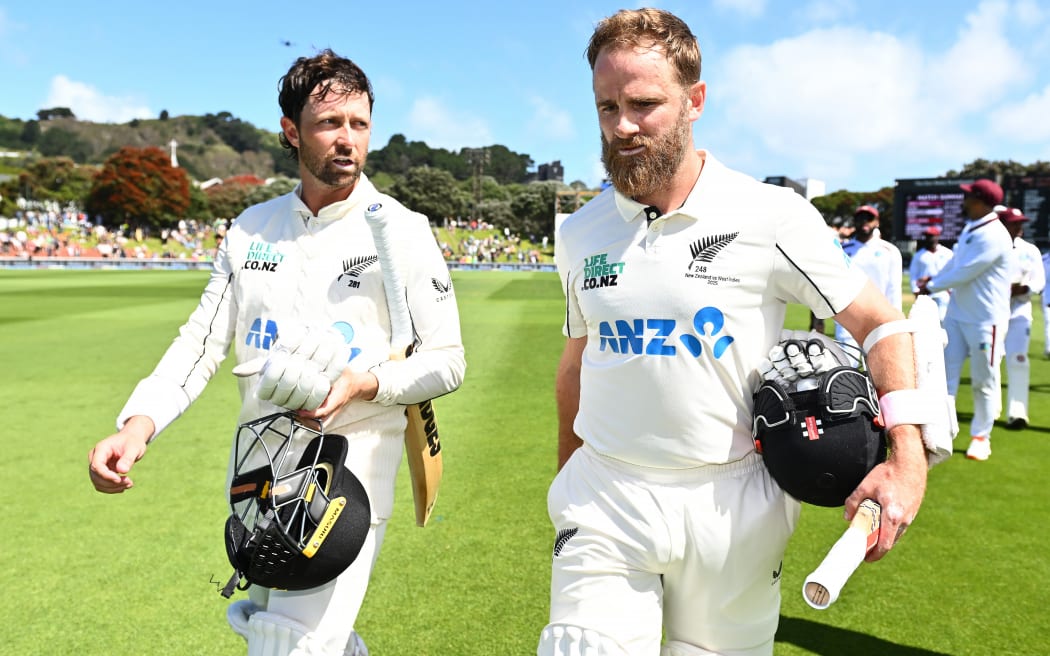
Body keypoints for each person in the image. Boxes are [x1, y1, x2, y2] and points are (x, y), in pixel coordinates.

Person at [543, 9, 929, 655]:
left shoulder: (771, 215)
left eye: (644, 103)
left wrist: (907, 460)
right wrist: (566, 484)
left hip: (734, 506)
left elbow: (882, 325)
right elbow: (577, 365)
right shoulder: (582, 231)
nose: (622, 126)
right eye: (606, 107)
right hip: (605, 495)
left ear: (695, 100)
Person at [87, 50, 466, 656]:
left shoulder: (401, 230)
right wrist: (138, 426)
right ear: (291, 132)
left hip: (350, 468)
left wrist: (365, 383)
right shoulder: (251, 229)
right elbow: (201, 342)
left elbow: (447, 360)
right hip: (259, 465)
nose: (347, 139)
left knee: (287, 646)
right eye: (329, 123)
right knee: (285, 633)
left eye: (360, 124)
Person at [916, 178, 1013, 461]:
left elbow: (967, 271)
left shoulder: (995, 234)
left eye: (970, 197)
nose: (965, 201)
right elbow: (956, 263)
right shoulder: (973, 227)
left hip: (986, 319)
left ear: (981, 202)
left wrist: (931, 285)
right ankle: (940, 430)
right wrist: (932, 279)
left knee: (985, 380)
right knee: (945, 374)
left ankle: (981, 436)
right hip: (958, 315)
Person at [998, 207, 1044, 429]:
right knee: (991, 363)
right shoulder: (991, 247)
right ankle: (990, 407)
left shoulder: (1031, 250)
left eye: (1020, 223)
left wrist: (1024, 288)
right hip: (993, 314)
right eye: (1014, 223)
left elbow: (1039, 281)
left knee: (1018, 360)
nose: (1019, 227)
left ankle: (1017, 412)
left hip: (1019, 314)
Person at [834, 205, 903, 347]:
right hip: (848, 316)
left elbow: (894, 289)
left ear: (876, 222)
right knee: (846, 365)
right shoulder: (842, 249)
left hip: (879, 316)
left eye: (869, 218)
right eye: (860, 218)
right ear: (854, 221)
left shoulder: (890, 251)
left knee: (877, 367)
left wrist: (897, 322)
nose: (864, 221)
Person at [908, 226, 953, 321]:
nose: (929, 239)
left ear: (937, 237)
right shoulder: (919, 255)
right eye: (927, 236)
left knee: (942, 319)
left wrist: (951, 289)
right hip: (925, 292)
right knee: (925, 320)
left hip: (942, 290)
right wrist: (915, 290)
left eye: (932, 236)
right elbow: (913, 274)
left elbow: (952, 272)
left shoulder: (947, 253)